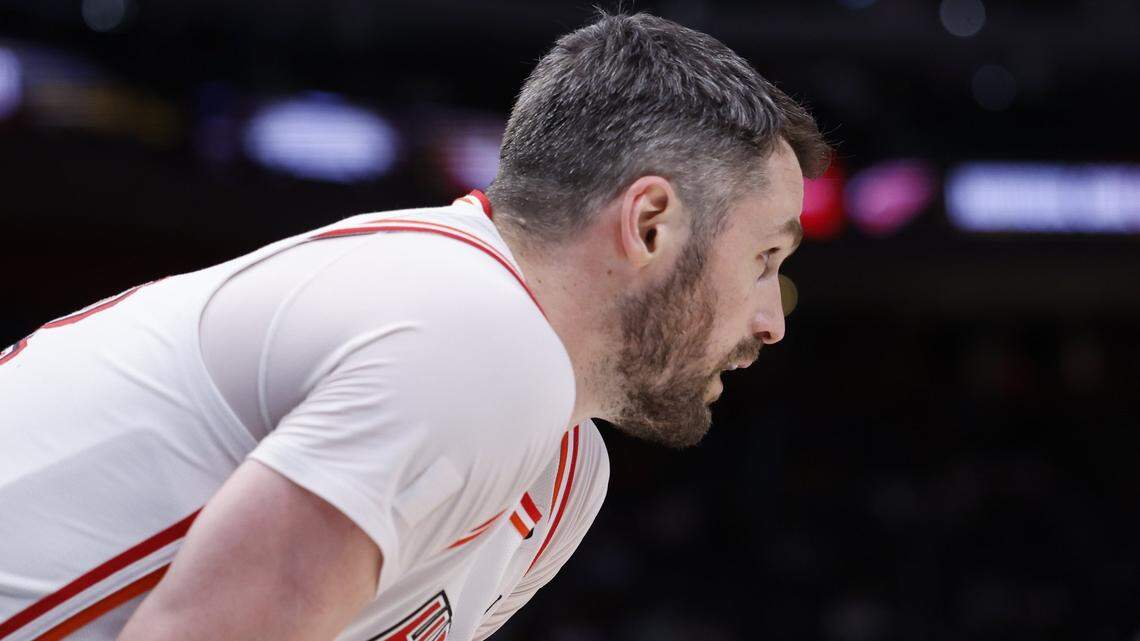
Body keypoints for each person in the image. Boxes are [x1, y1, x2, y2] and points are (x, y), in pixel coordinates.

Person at [0, 11, 829, 641]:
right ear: (651, 223)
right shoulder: (474, 334)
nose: (770, 320)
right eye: (763, 258)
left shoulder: (564, 471)